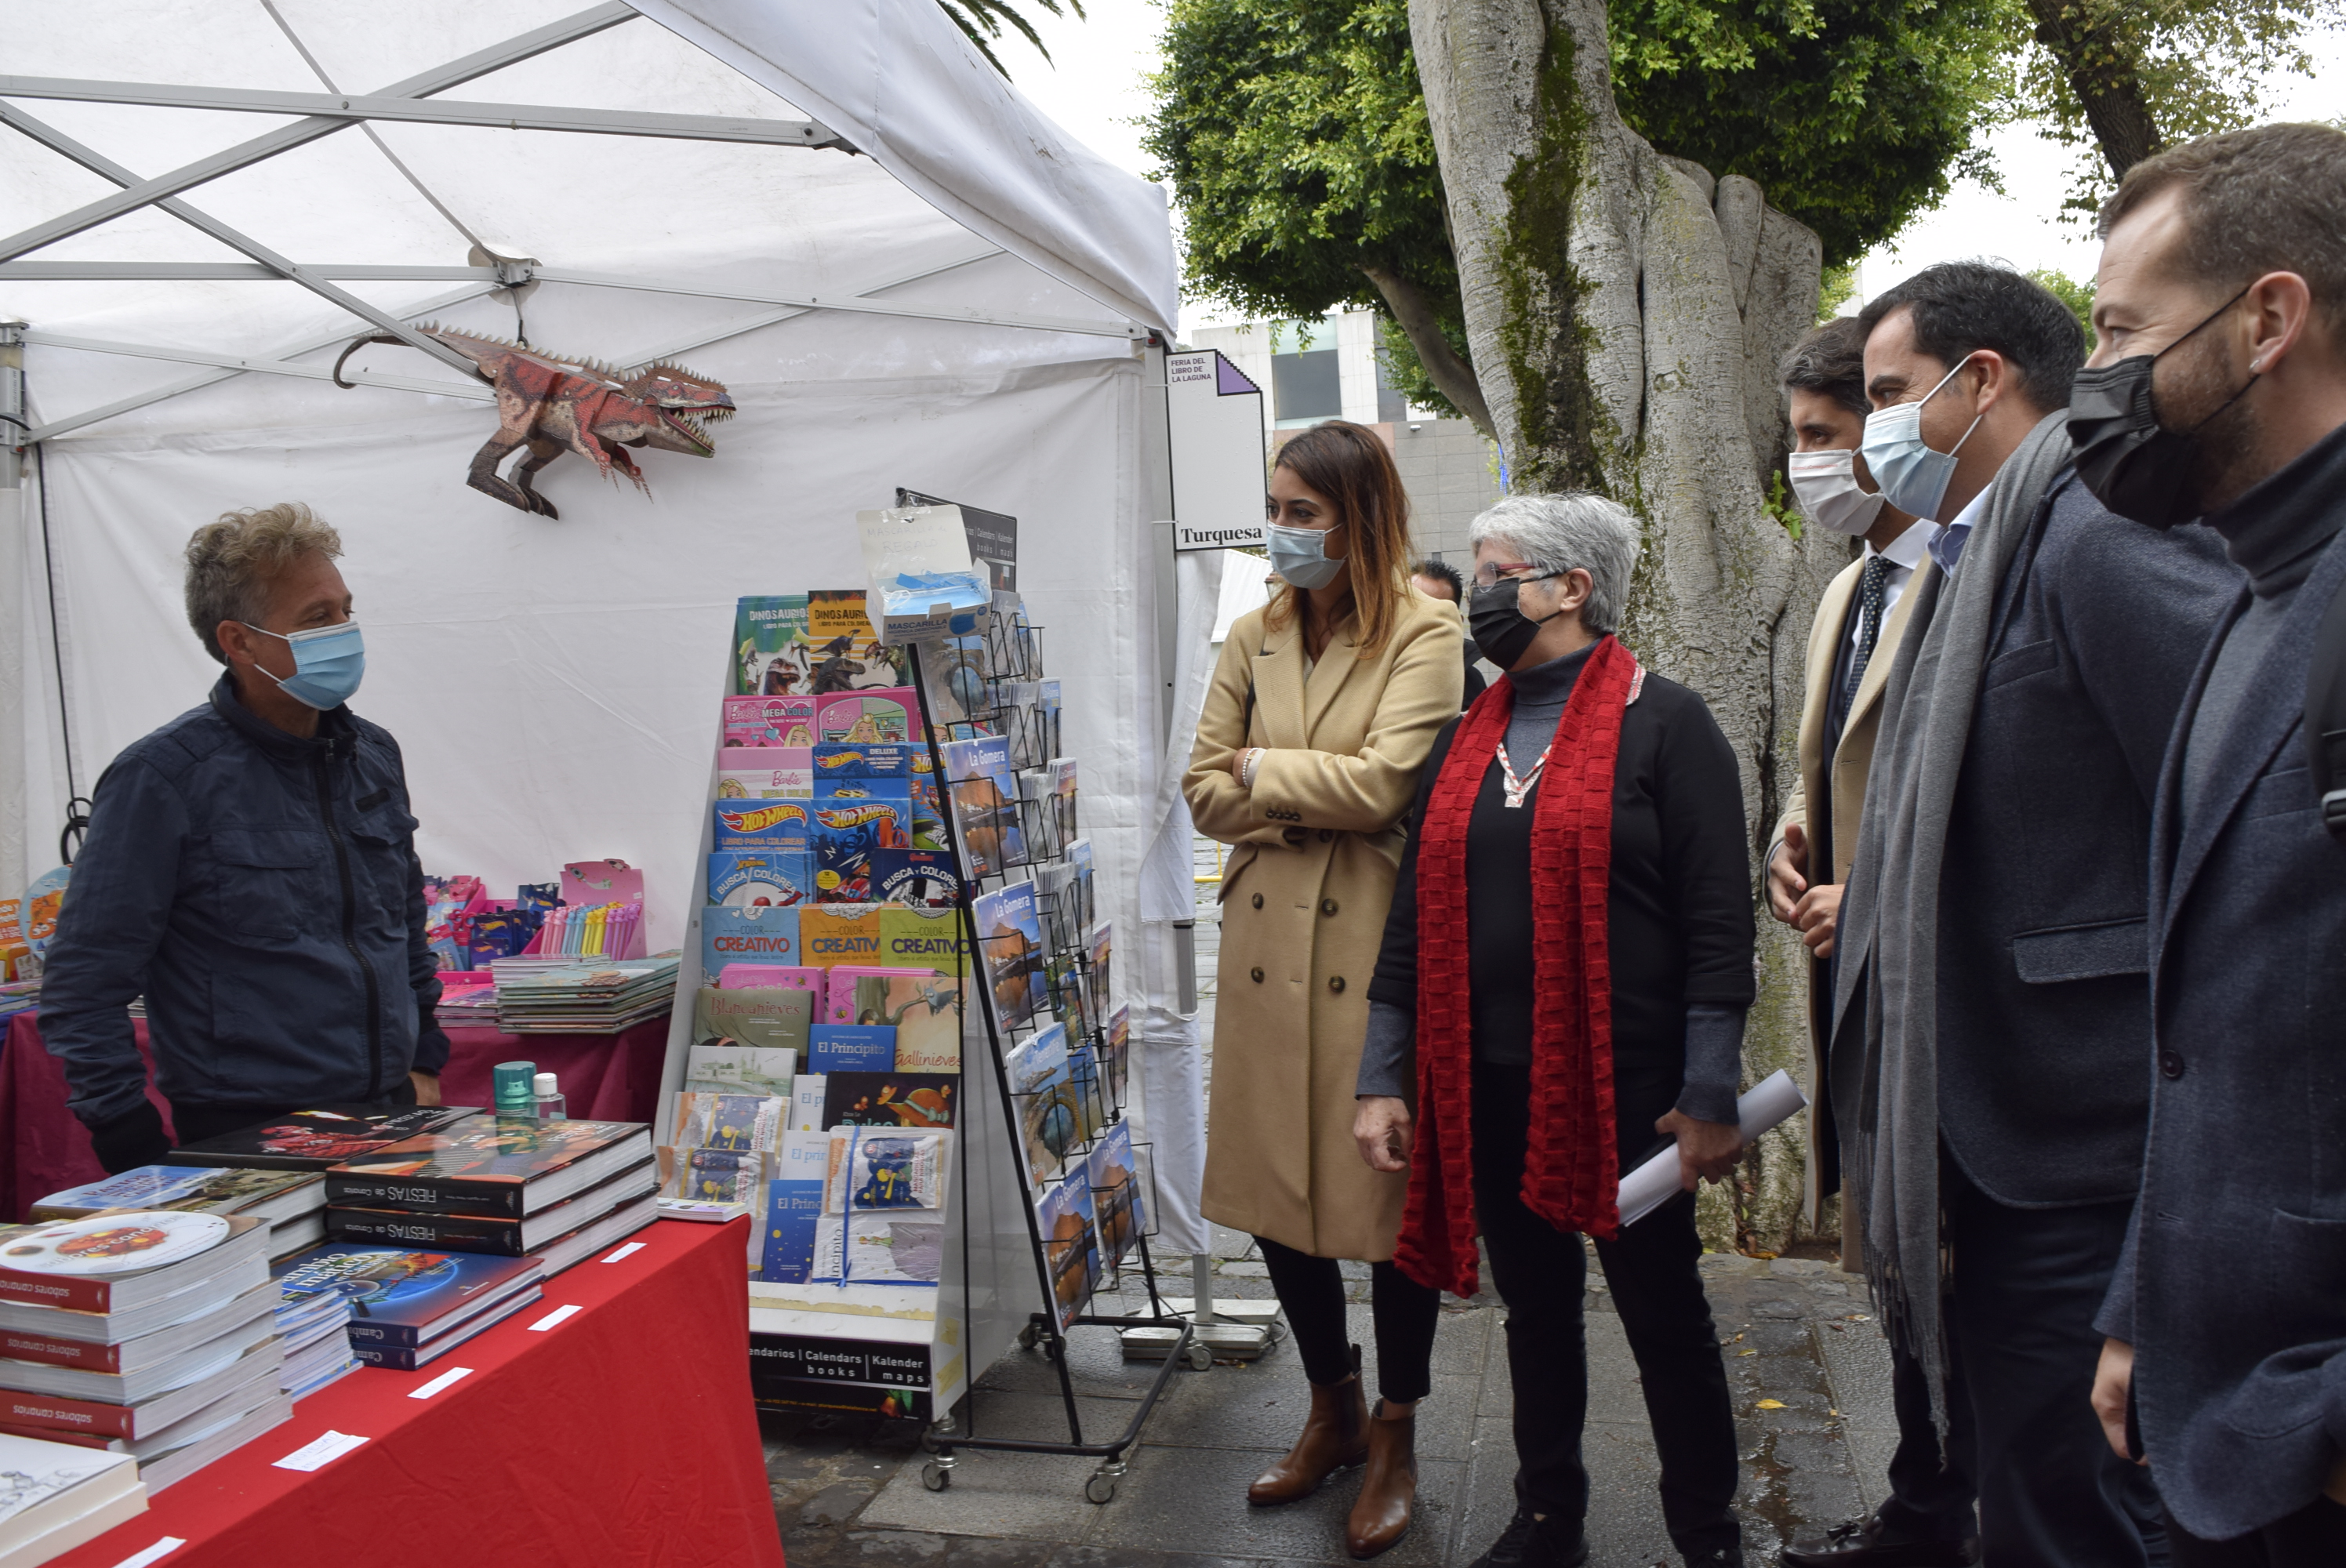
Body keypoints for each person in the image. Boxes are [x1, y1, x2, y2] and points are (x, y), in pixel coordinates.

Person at [1828, 263, 2239, 1566]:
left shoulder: (2095, 532)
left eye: (1888, 394)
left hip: (2091, 1143)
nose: (1871, 426)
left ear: (1980, 382)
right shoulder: (1973, 547)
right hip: (2005, 1141)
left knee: (2084, 1514)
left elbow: (2237, 802)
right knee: (2031, 1496)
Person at [1355, 493, 1752, 1568]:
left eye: (1497, 573)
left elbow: (1722, 929)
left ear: (1570, 588)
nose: (1479, 595)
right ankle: (1548, 1518)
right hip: (1485, 1080)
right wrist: (1382, 1077)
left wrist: (1711, 1090)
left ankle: (1708, 1536)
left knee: (1664, 1314)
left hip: (1632, 1087)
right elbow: (1409, 926)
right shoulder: (1461, 741)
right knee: (1537, 1311)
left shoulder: (1668, 724)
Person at [2075, 123, 2346, 1565]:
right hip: (2208, 1410)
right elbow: (2215, 1033)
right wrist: (2142, 1305)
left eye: (2123, 331)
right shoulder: (2252, 595)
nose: (2099, 379)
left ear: (2267, 322)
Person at [1183, 419, 1463, 1560]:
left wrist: (1267, 774)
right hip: (1262, 948)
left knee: (1382, 1210)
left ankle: (1395, 1431)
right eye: (1276, 509)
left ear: (1361, 515)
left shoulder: (1427, 631)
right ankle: (1330, 1407)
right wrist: (1302, 787)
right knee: (1277, 1200)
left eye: (1302, 512)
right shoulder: (1255, 633)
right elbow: (1202, 787)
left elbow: (1390, 782)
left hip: (1374, 953)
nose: (1281, 532)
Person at [39, 505, 447, 1171]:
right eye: (318, 618)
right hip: (247, 1135)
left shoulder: (371, 754)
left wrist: (426, 1052)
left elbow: (402, 918)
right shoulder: (163, 778)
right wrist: (129, 1138)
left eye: (347, 609)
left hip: (391, 1113)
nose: (345, 632)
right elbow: (84, 985)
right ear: (240, 640)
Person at [1763, 320, 1977, 1568]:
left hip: (1936, 988)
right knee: (1898, 1266)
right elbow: (1833, 764)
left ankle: (1966, 1501)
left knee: (1957, 1267)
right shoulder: (1849, 587)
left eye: (1823, 436)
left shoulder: (1971, 573)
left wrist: (1881, 895)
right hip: (1850, 978)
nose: (1807, 464)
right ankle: (1924, 1500)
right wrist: (1797, 837)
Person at [1410, 556, 1487, 705]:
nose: (1416, 623)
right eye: (1408, 608)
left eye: (1432, 614)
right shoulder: (1366, 672)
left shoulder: (1470, 682)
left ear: (1456, 622)